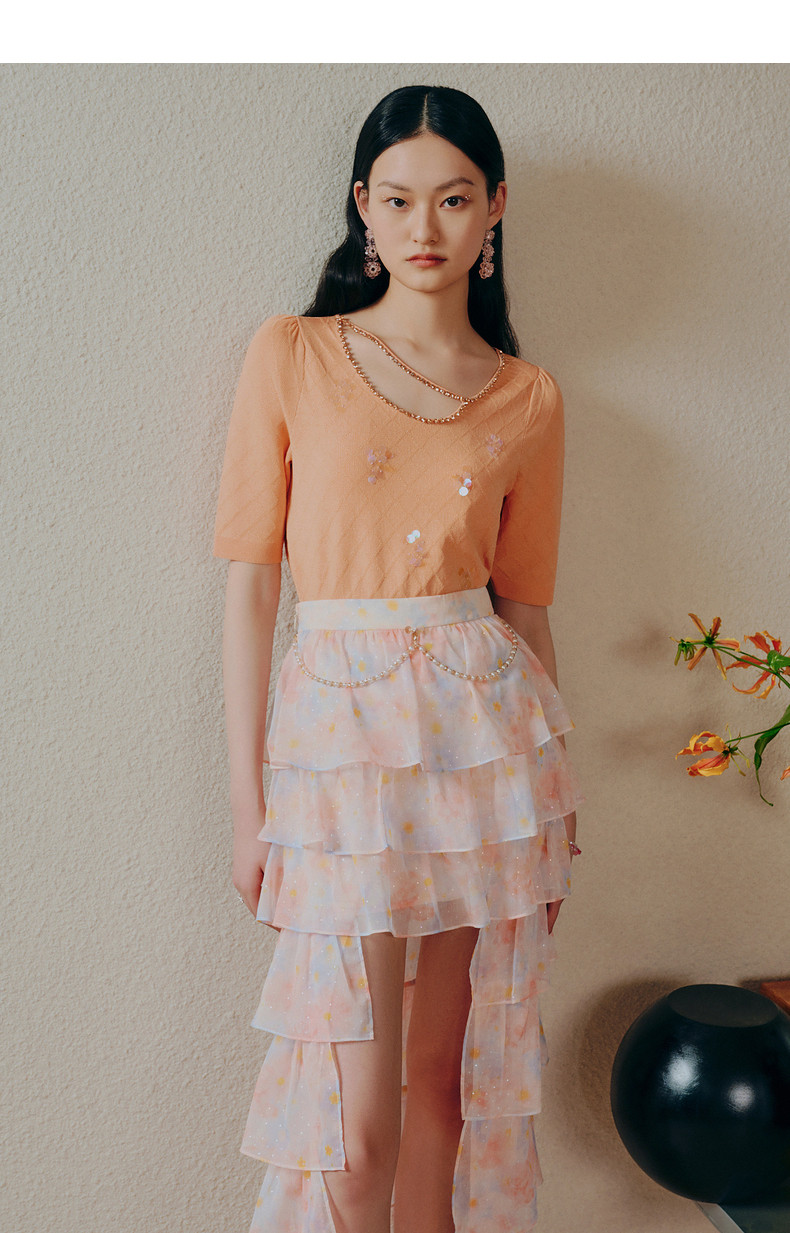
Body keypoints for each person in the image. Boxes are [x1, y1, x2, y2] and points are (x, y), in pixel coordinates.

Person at [214, 84, 581, 1233]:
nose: (426, 226)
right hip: (338, 759)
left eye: (454, 199)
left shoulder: (528, 396)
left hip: (487, 749)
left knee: (444, 1092)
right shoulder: (293, 354)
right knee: (356, 1119)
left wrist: (554, 803)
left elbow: (524, 612)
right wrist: (251, 810)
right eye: (400, 198)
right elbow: (251, 590)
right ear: (361, 207)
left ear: (494, 209)